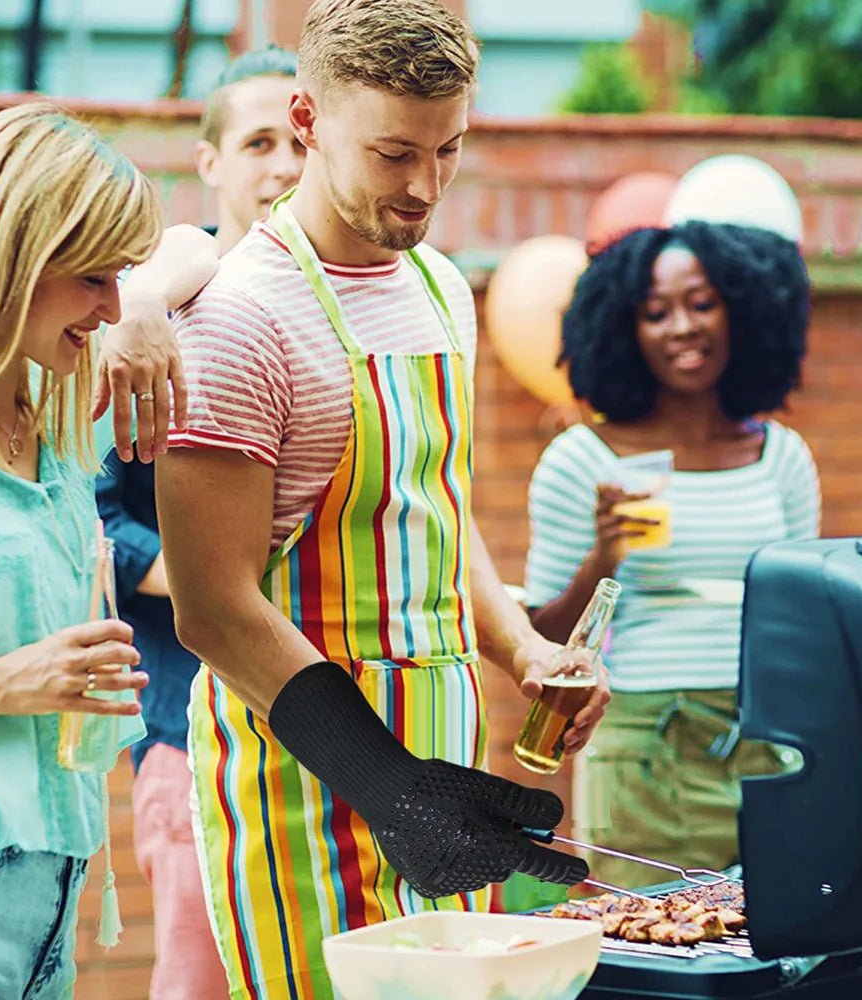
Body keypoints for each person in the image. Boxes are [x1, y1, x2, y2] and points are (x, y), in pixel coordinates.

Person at [154, 1, 609, 995]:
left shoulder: (441, 286)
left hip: (441, 763)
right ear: (308, 121)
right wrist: (383, 781)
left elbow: (437, 521)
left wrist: (523, 650)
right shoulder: (240, 316)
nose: (424, 187)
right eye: (393, 153)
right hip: (302, 782)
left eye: (447, 151)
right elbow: (213, 608)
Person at [0, 102, 216, 999]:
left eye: (122, 278)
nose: (111, 307)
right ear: (16, 259)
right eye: (93, 279)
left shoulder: (53, 417)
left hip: (53, 880)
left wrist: (144, 299)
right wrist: (7, 681)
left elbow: (201, 242)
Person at [96, 45, 303, 1000]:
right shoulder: (152, 310)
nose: (285, 164)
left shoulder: (343, 311)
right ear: (211, 161)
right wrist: (210, 579)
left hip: (326, 732)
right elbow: (89, 516)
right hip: (187, 726)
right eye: (259, 140)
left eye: (301, 139)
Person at [526, 221, 821, 889]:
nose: (682, 327)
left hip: (765, 742)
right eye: (655, 312)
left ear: (742, 312)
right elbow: (541, 636)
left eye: (702, 303)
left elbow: (801, 614)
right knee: (650, 946)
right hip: (642, 750)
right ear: (623, 331)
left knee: (781, 952)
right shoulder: (583, 460)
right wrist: (606, 553)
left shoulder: (782, 458)